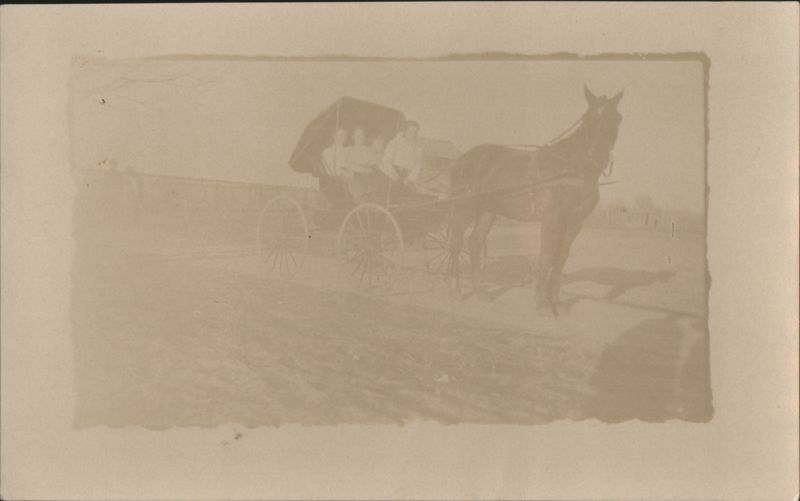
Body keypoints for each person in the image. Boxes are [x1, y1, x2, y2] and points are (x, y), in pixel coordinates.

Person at [381, 120, 424, 186]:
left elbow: (418, 165)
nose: (413, 135)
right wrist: (395, 177)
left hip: (408, 177)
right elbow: (386, 161)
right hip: (392, 175)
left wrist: (409, 179)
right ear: (404, 132)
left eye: (415, 132)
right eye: (410, 132)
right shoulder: (394, 143)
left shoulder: (418, 148)